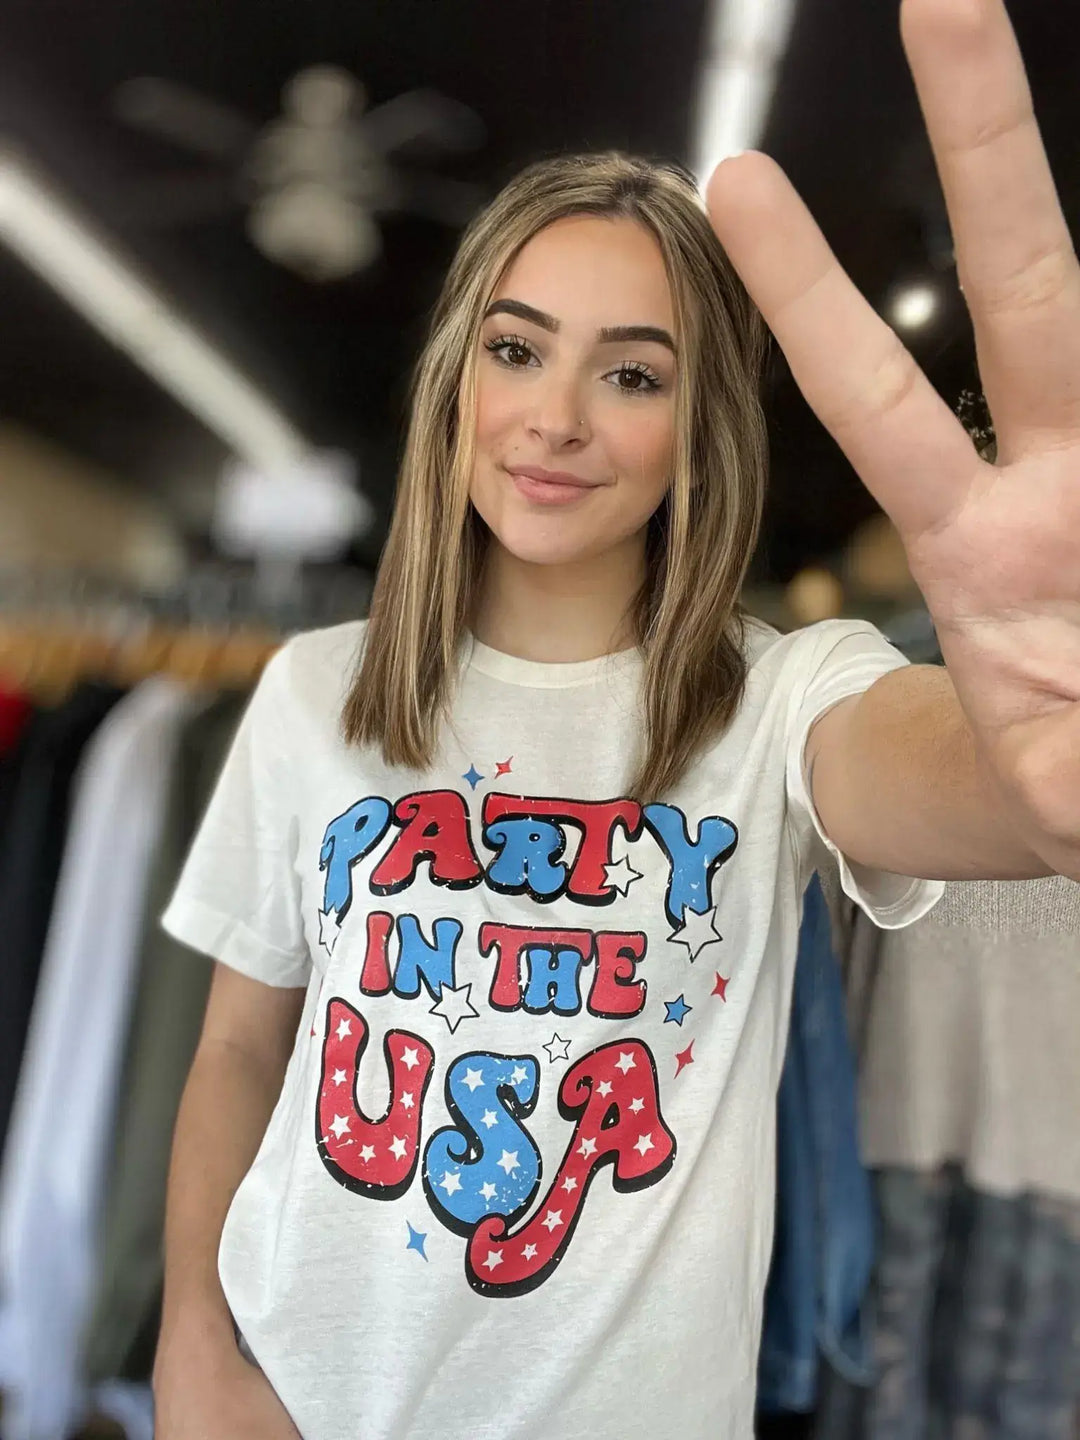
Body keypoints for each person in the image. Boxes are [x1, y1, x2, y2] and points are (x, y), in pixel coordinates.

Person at [150, 1, 1080, 1435]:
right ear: (458, 373)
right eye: (516, 350)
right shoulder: (308, 692)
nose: (557, 417)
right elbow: (233, 1051)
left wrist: (1036, 761)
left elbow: (978, 781)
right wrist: (196, 1352)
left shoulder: (780, 704)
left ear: (697, 422)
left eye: (633, 373)